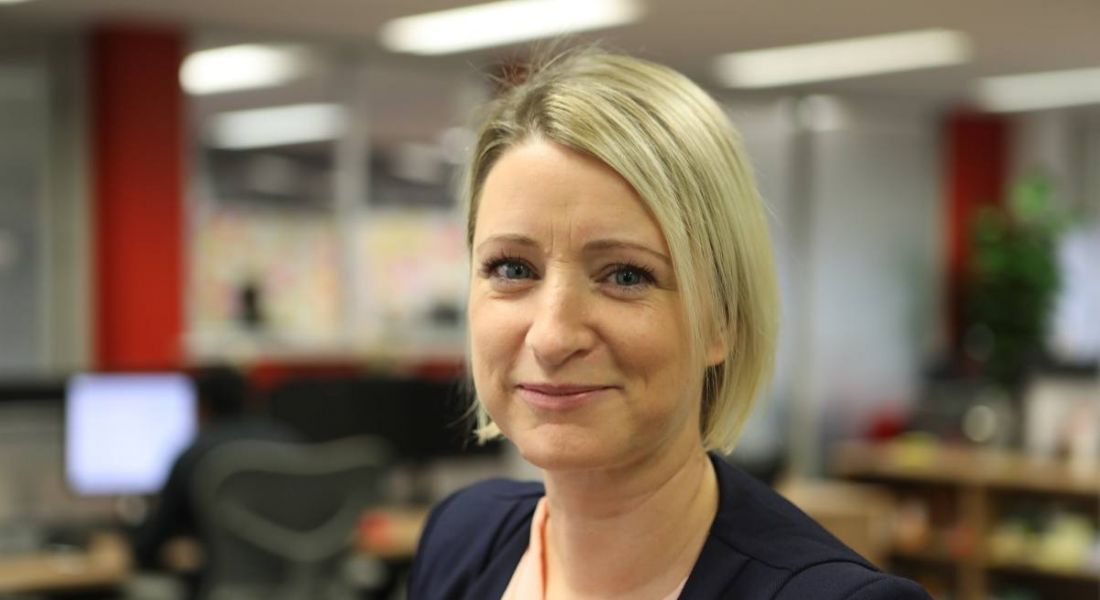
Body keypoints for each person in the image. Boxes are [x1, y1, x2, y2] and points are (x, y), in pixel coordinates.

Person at [407, 48, 931, 600]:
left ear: (721, 319)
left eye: (626, 276)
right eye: (512, 268)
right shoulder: (461, 538)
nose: (553, 336)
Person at [132, 365, 298, 597]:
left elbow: (150, 547)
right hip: (297, 585)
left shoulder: (194, 455)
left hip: (219, 589)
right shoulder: (290, 444)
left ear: (202, 407)